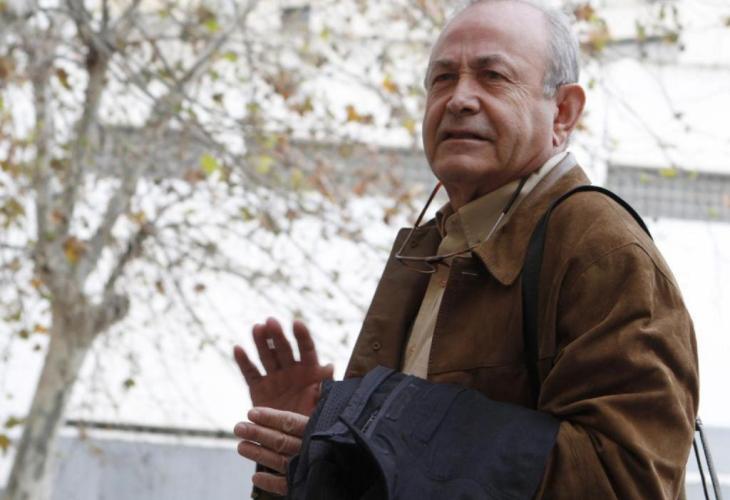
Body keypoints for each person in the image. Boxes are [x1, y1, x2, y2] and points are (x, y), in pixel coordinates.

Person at [233, 0, 699, 498]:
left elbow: (626, 482)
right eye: (442, 79)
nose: (459, 99)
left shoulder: (601, 247)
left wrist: (390, 432)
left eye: (493, 76)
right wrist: (315, 450)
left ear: (563, 112)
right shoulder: (432, 246)